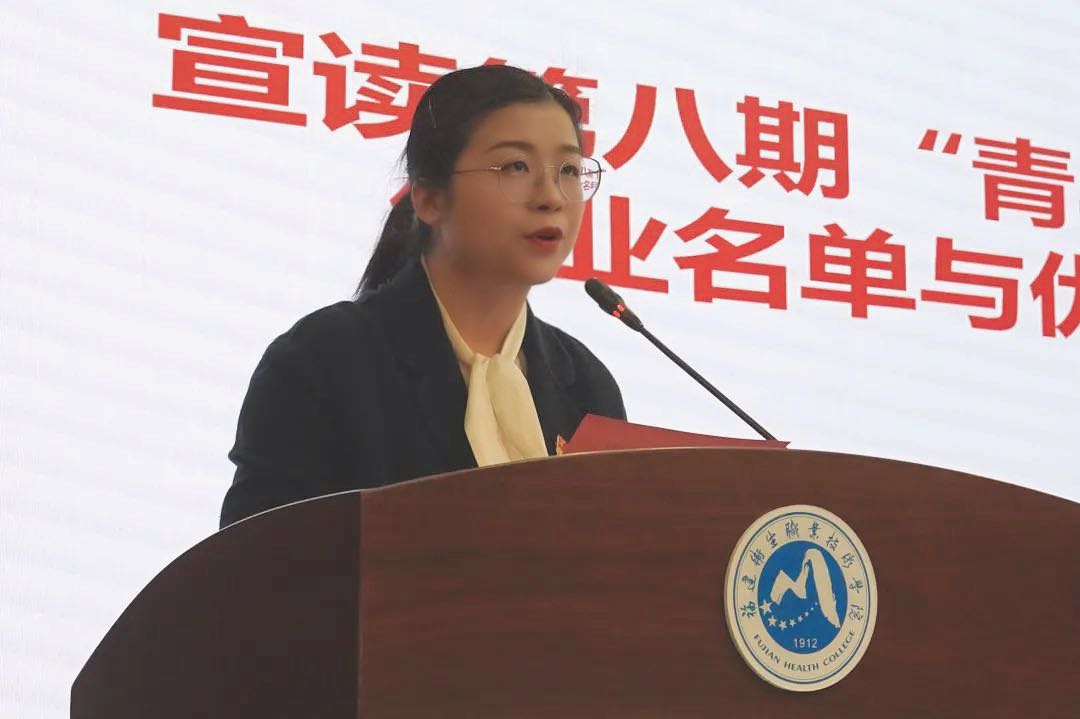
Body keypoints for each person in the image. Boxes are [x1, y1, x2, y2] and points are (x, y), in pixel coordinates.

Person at [219, 65, 626, 529]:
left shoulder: (586, 386)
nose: (551, 197)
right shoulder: (325, 359)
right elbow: (254, 562)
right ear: (429, 197)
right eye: (516, 167)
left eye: (569, 170)